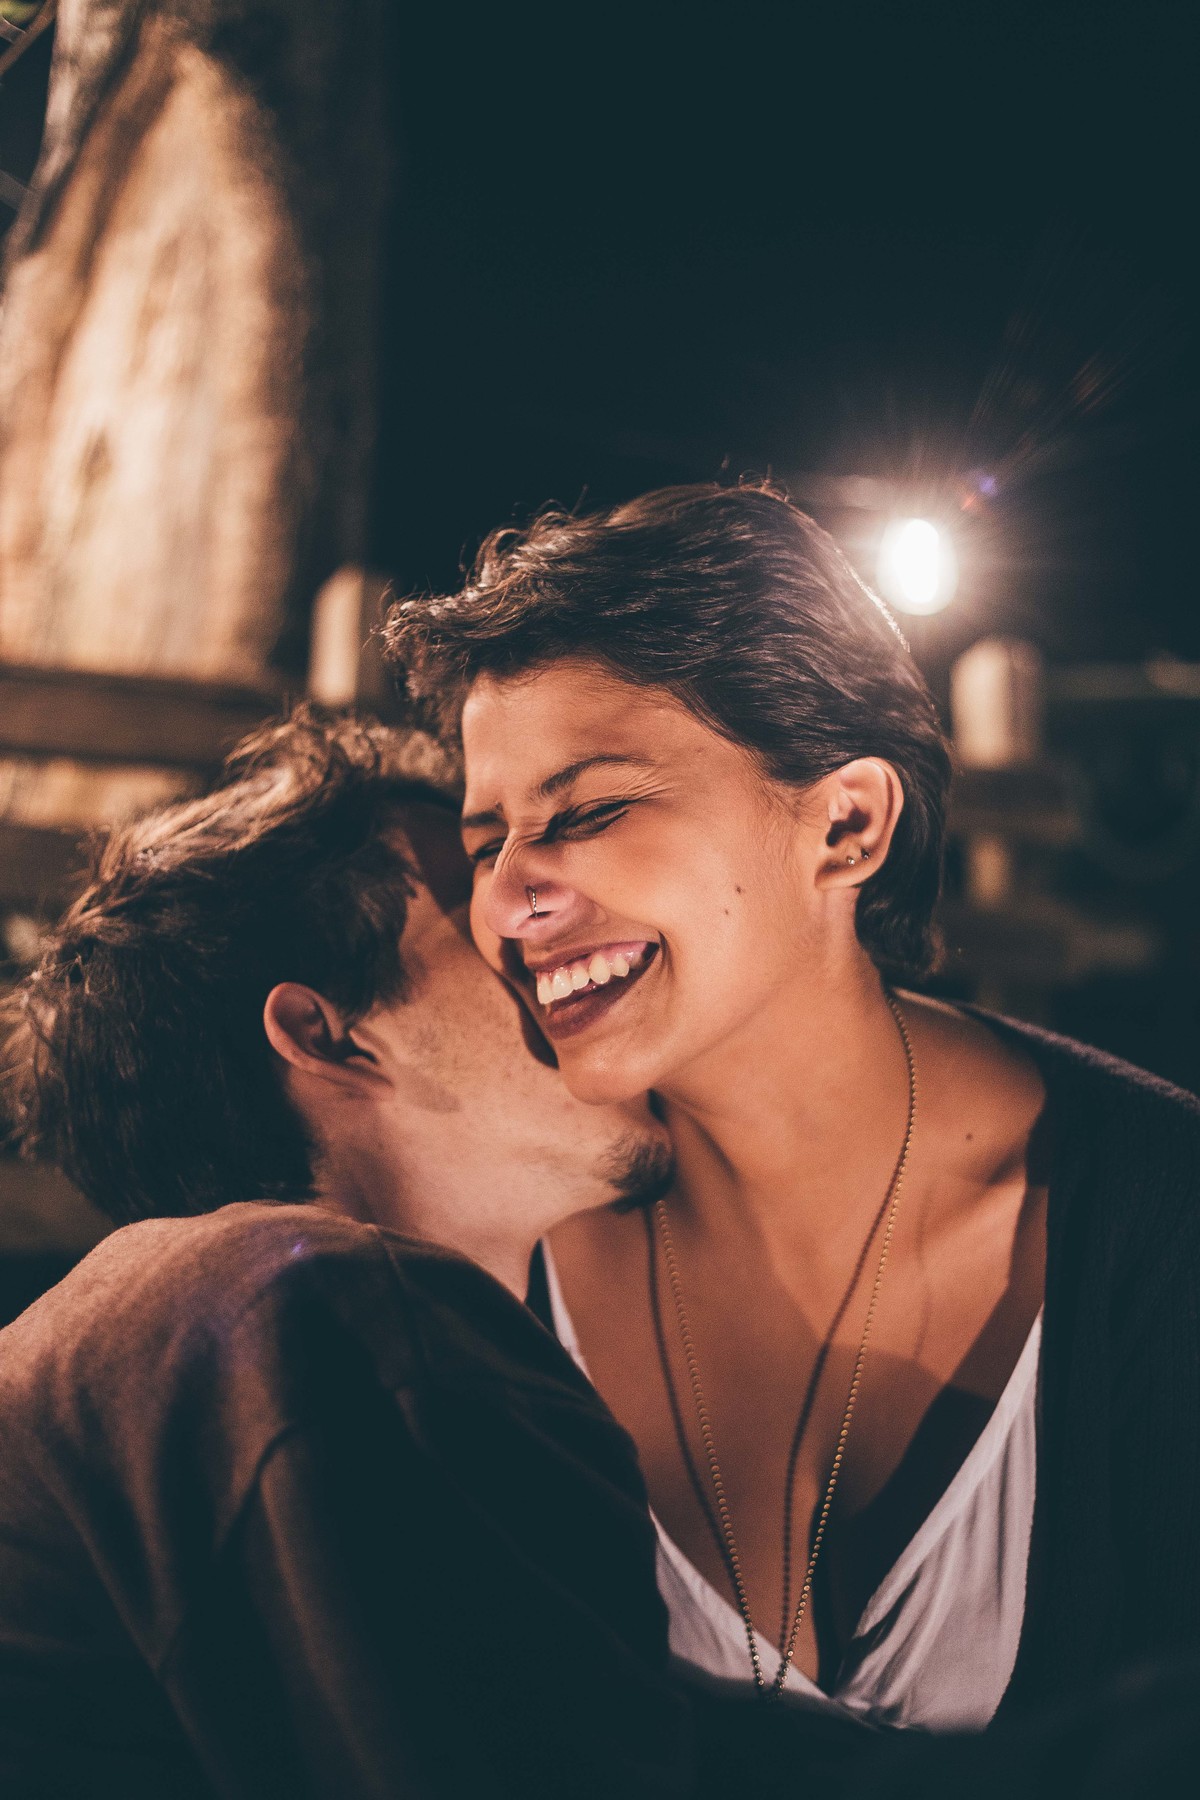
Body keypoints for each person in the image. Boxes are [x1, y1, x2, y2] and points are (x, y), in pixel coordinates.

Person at [384, 481, 1200, 1735]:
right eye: (488, 838)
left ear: (847, 823)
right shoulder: (496, 1241)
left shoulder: (1156, 1221)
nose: (505, 899)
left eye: (589, 810)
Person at [0, 707, 709, 1799]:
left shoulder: (203, 1329)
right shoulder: (322, 1309)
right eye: (484, 912)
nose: (559, 932)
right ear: (328, 1034)